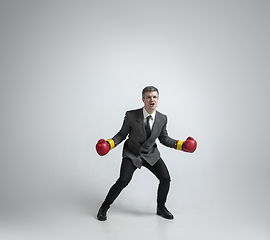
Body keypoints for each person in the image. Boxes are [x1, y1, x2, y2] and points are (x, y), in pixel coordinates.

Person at [95, 86, 197, 221]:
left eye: (154, 97)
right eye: (148, 97)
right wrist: (108, 144)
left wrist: (182, 145)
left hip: (150, 153)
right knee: (123, 180)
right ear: (143, 99)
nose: (152, 100)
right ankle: (104, 207)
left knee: (165, 178)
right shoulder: (131, 115)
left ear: (158, 99)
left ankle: (161, 207)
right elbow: (122, 134)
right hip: (132, 153)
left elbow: (164, 139)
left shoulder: (162, 118)